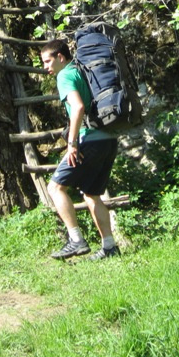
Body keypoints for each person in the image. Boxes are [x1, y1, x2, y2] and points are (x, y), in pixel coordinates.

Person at [39, 38, 120, 260]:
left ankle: (76, 240)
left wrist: (72, 143)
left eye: (47, 61)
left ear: (60, 57)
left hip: (89, 140)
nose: (46, 67)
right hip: (108, 139)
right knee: (93, 194)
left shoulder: (65, 75)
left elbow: (78, 106)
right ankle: (110, 247)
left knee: (55, 188)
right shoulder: (84, 71)